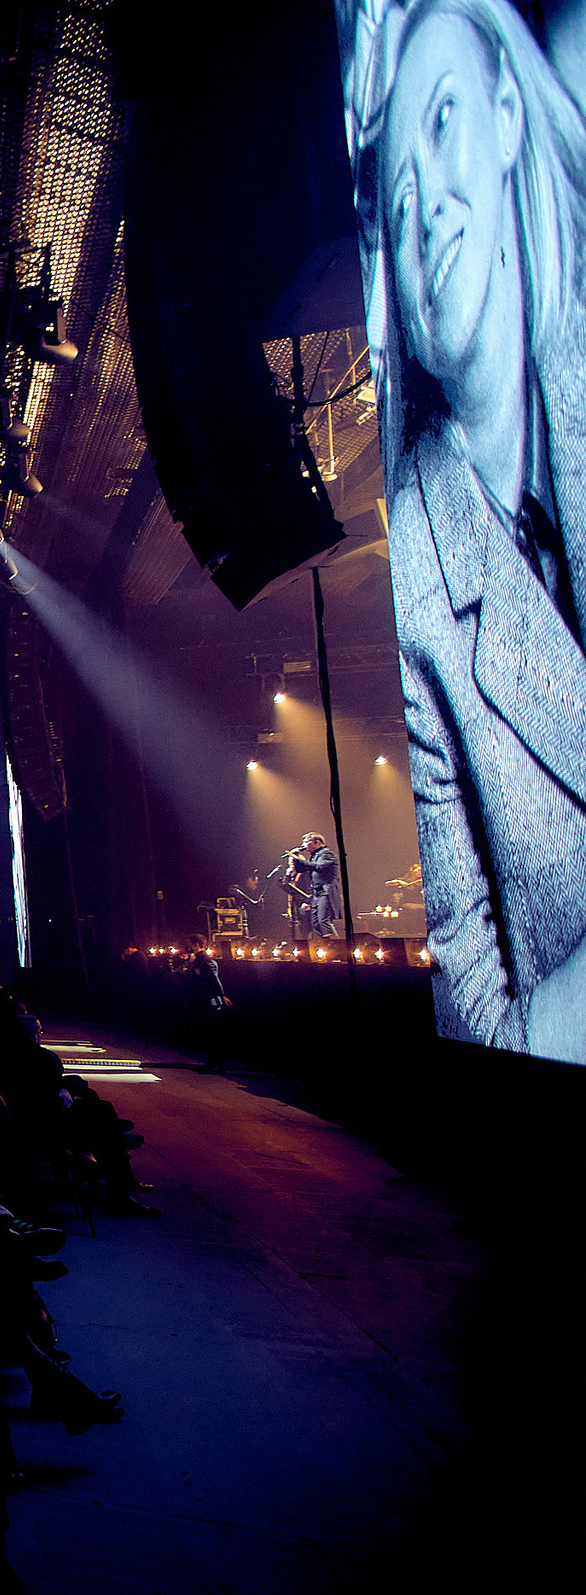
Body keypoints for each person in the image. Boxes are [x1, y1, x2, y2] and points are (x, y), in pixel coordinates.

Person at [346, 0, 586, 1059]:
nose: (428, 208)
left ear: (505, 112)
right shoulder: (423, 607)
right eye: (395, 205)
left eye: (441, 122)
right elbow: (481, 1019)